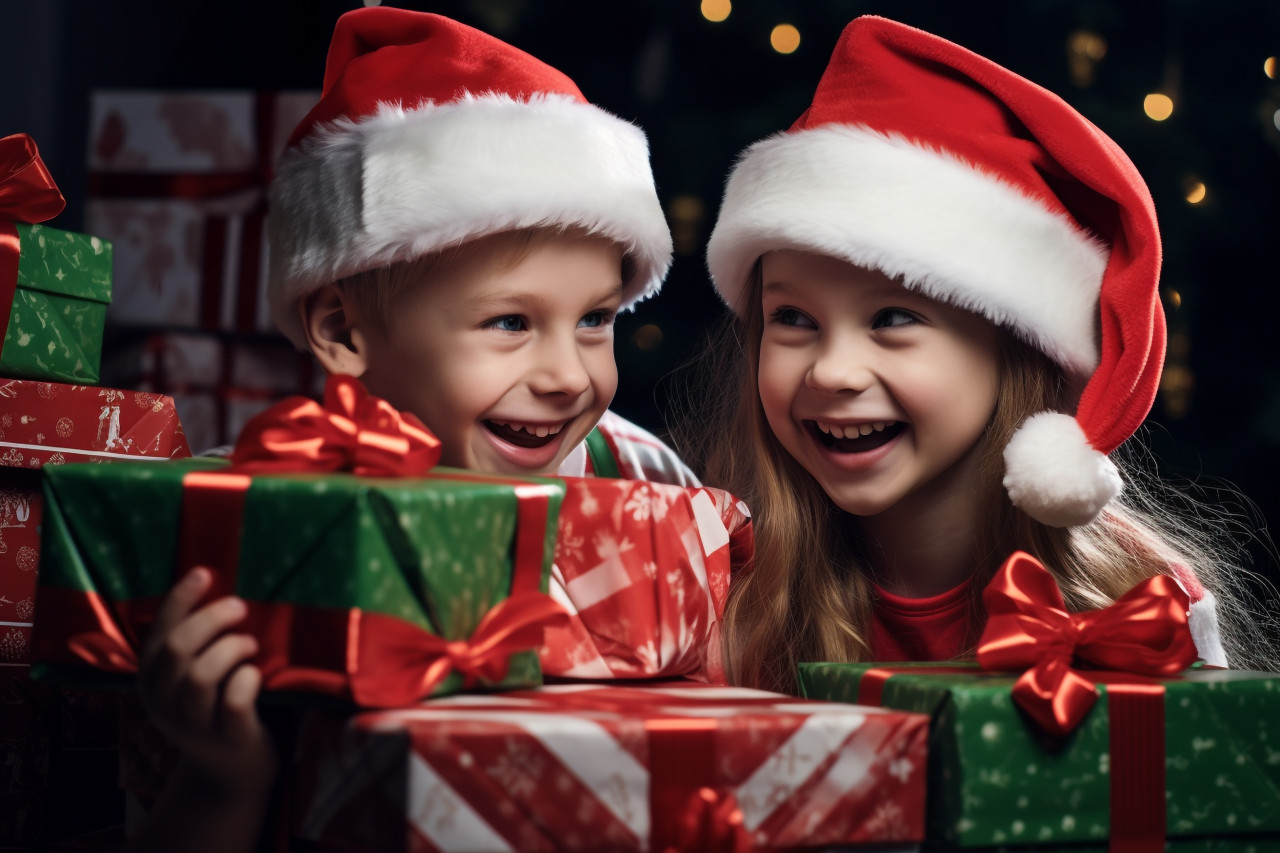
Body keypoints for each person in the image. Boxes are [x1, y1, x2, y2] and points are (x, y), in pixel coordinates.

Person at [125, 8, 692, 851]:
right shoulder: (247, 516)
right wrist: (222, 774)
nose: (569, 376)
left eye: (595, 319)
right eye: (509, 322)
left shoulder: (646, 480)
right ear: (342, 331)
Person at [690, 15, 1273, 695]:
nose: (832, 371)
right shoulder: (732, 597)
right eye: (792, 318)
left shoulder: (1138, 606)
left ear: (1016, 347)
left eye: (893, 318)